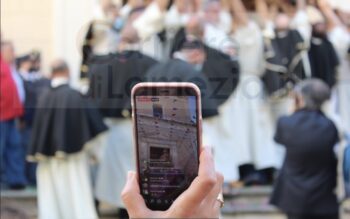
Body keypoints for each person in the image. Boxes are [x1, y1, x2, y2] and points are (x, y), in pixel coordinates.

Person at [88, 16, 158, 218]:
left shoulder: (102, 65)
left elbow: (95, 99)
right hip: (145, 126)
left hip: (115, 127)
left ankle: (124, 211)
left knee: (121, 174)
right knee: (140, 172)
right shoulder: (152, 64)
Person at [28, 59, 107, 219]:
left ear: (51, 73)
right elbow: (93, 126)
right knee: (76, 193)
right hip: (74, 157)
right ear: (67, 72)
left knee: (51, 197)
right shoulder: (75, 95)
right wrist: (95, 153)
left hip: (48, 160)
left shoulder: (44, 97)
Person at [270, 79, 339, 219]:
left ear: (301, 98)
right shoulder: (330, 126)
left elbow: (278, 139)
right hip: (325, 199)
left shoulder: (286, 123)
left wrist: (293, 111)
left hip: (294, 200)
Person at [122, 148, 224, 219]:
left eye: (167, 155)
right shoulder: (152, 171)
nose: (165, 157)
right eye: (163, 155)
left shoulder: (176, 171)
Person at [0, 41, 26, 190]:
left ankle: (15, 180)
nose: (13, 54)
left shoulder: (10, 69)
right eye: (11, 51)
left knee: (14, 147)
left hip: (12, 115)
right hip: (2, 114)